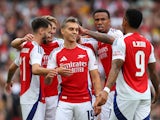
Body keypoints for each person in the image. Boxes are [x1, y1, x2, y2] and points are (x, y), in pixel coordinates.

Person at [94, 8, 159, 120]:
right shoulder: (148, 43)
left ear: (125, 21)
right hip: (144, 95)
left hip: (126, 95)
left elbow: (115, 67)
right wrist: (157, 90)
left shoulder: (122, 41)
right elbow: (153, 72)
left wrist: (106, 91)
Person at [46, 16, 102, 120]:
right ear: (62, 31)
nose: (75, 32)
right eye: (71, 29)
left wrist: (98, 99)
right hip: (64, 102)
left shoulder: (87, 51)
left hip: (85, 100)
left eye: (76, 30)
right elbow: (48, 81)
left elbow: (95, 77)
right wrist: (56, 71)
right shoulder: (55, 53)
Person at [80, 9, 123, 120]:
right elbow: (76, 41)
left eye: (103, 19)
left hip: (121, 87)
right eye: (97, 20)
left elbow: (110, 40)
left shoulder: (116, 33)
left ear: (109, 21)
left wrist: (87, 32)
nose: (99, 22)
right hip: (108, 88)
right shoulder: (96, 41)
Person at [15, 17, 57, 120]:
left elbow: (12, 66)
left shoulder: (26, 46)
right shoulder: (36, 48)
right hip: (33, 96)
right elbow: (35, 69)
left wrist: (8, 81)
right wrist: (56, 70)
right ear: (41, 31)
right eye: (48, 31)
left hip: (27, 94)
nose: (50, 33)